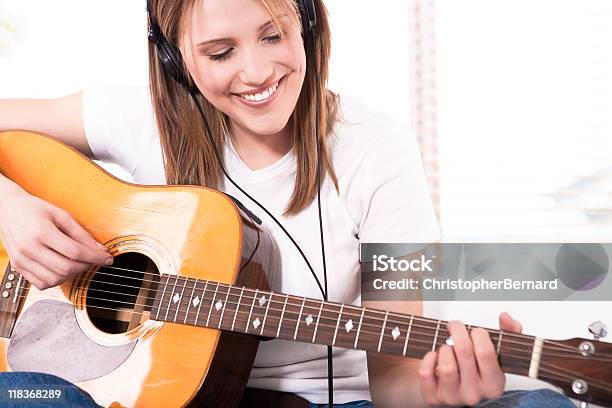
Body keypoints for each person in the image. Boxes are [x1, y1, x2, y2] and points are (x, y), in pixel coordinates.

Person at [0, 0, 576, 407]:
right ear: (177, 59)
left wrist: (443, 388)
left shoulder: (378, 147)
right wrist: (12, 210)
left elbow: (395, 381)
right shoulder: (137, 118)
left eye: (273, 35)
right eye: (220, 52)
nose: (256, 72)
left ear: (306, 22)